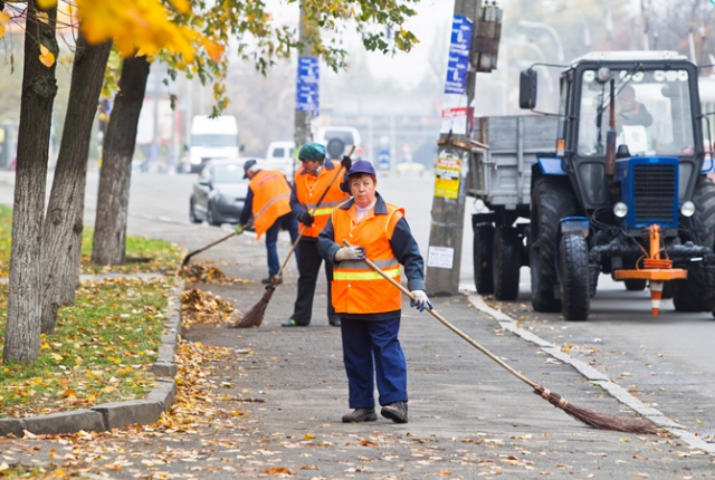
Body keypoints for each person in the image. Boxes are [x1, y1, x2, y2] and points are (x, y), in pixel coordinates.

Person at [317, 160, 431, 424]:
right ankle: (363, 406)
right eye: (355, 184)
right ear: (349, 187)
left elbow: (411, 256)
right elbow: (322, 242)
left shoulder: (391, 217)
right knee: (355, 356)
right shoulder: (338, 215)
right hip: (349, 302)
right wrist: (337, 252)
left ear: (375, 184)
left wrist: (418, 288)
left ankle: (396, 403)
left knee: (387, 352)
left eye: (366, 183)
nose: (361, 189)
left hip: (381, 302)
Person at [283, 142, 351, 327]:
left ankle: (336, 315)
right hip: (308, 233)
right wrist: (300, 215)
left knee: (334, 277)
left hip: (332, 235)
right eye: (302, 161)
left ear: (317, 161)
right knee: (306, 277)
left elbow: (352, 188)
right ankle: (300, 316)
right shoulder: (299, 175)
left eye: (307, 162)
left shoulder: (338, 170)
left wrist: (350, 169)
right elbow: (294, 201)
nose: (303, 165)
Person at [236, 159, 299, 284]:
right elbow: (291, 189)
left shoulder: (254, 183)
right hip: (290, 208)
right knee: (296, 242)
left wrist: (241, 223)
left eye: (247, 176)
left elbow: (248, 206)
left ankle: (275, 275)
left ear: (250, 172)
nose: (248, 179)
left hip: (274, 213)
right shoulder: (277, 173)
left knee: (271, 242)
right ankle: (305, 273)